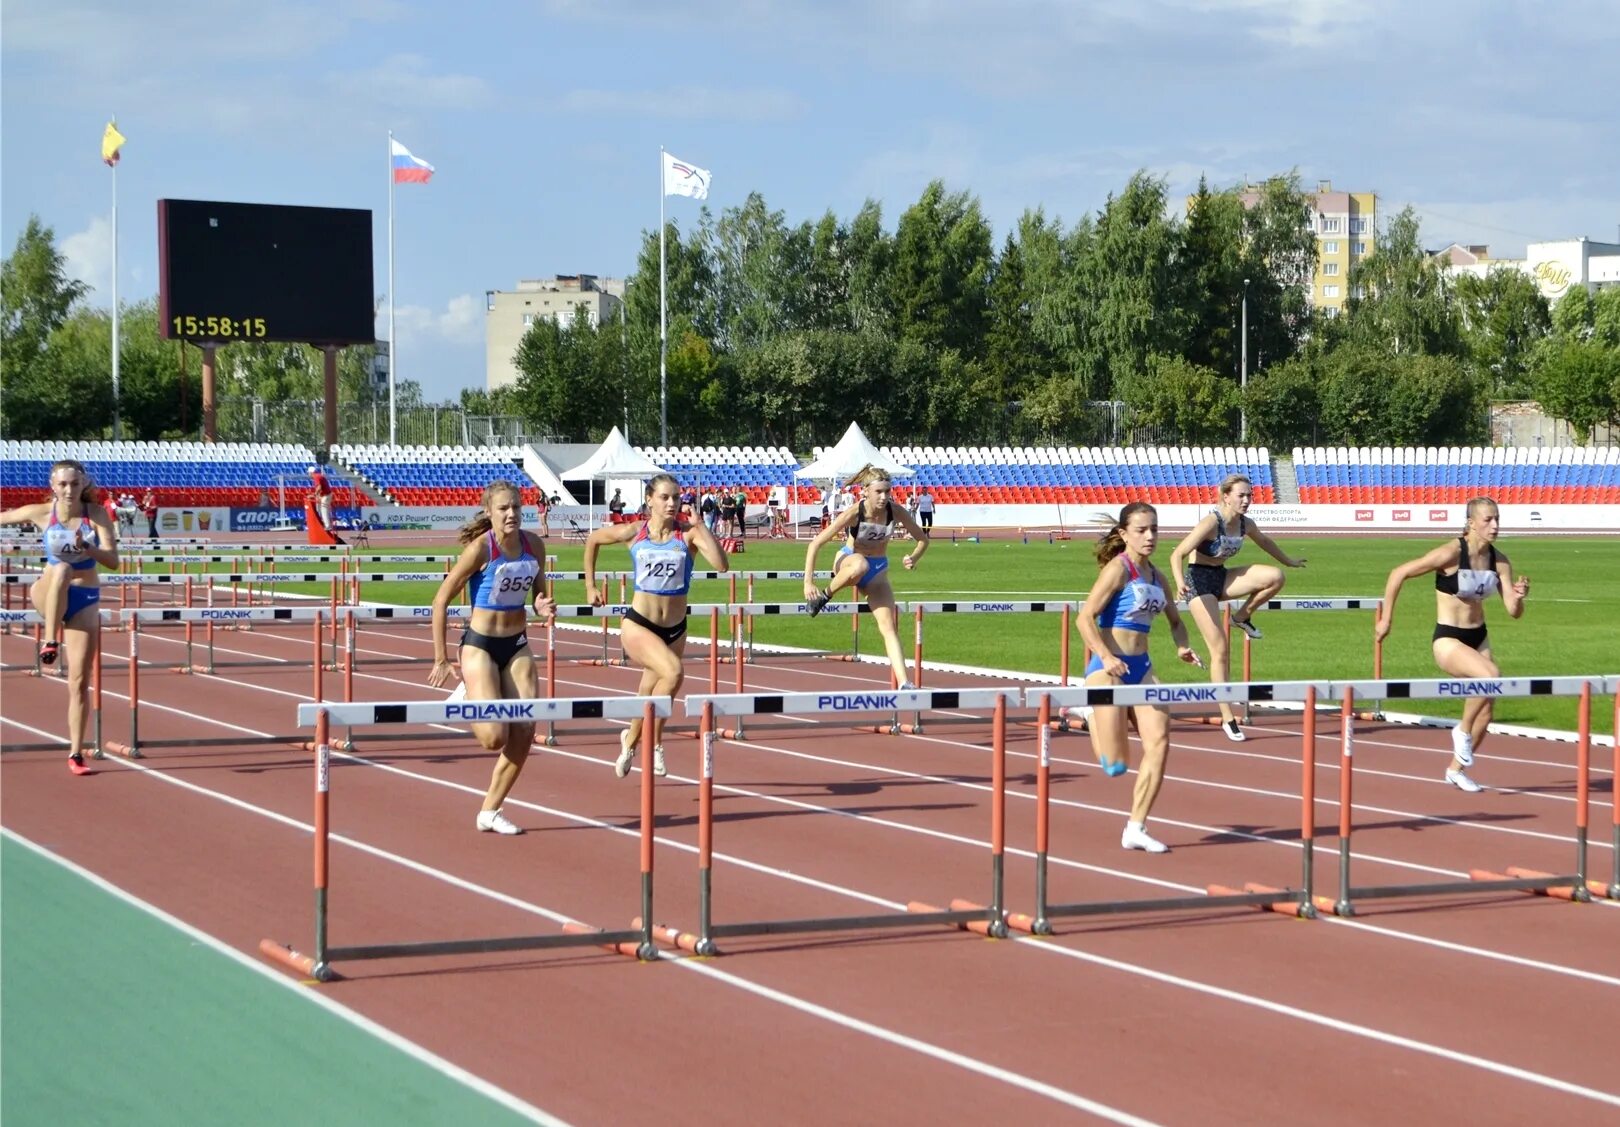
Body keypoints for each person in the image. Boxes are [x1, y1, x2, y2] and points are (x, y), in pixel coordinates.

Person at [1374, 496, 1529, 793]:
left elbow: (1513, 612)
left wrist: (1519, 598)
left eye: (1497, 519)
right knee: (1490, 677)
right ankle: (1461, 731)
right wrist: (1387, 620)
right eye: (1488, 520)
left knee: (1486, 710)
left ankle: (1456, 769)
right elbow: (1399, 573)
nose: (1495, 525)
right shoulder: (1450, 552)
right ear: (1471, 523)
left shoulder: (1500, 561)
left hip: (1478, 637)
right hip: (1448, 638)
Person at [427, 480, 557, 834]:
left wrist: (542, 604)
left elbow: (540, 592)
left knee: (526, 728)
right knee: (493, 738)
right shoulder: (480, 550)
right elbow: (441, 600)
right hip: (480, 645)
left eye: (516, 507)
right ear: (490, 512)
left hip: (516, 645)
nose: (512, 513)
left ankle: (491, 810)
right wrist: (441, 658)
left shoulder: (534, 545)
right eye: (503, 509)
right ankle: (472, 690)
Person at [585, 473, 729, 778]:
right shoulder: (635, 533)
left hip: (675, 628)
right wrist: (590, 585)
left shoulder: (687, 534)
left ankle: (634, 741)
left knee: (653, 692)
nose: (671, 503)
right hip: (640, 623)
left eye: (676, 497)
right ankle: (649, 740)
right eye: (664, 497)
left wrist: (700, 523)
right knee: (674, 673)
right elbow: (594, 539)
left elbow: (721, 564)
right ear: (649, 499)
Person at [1077, 502, 1201, 853]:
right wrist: (1105, 656)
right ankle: (1089, 714)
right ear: (1124, 534)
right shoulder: (1118, 570)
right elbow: (1085, 618)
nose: (1150, 537)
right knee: (1115, 766)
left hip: (1142, 669)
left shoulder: (1158, 577)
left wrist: (1182, 647)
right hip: (1107, 670)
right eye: (1142, 530)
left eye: (1154, 530)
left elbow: (1176, 622)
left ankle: (1136, 827)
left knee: (1160, 740)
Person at [0, 459, 119, 775]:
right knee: (62, 568)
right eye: (63, 484)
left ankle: (76, 753)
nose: (69, 490)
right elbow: (4, 517)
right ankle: (50, 639)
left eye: (75, 484)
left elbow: (114, 562)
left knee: (80, 681)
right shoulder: (41, 512)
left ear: (84, 485)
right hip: (47, 592)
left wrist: (89, 548)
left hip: (84, 598)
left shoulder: (95, 515)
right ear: (53, 486)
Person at [1168, 473, 1307, 742]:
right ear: (1226, 496)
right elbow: (1177, 553)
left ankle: (1242, 616)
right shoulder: (1211, 522)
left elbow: (1265, 542)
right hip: (1198, 582)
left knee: (1275, 577)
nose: (1246, 500)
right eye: (1241, 495)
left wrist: (1288, 561)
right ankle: (1227, 717)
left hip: (1222, 577)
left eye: (1250, 495)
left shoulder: (1245, 524)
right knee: (1220, 648)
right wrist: (1178, 582)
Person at [803, 466, 930, 689]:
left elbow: (923, 540)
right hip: (848, 561)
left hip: (877, 569)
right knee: (860, 564)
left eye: (887, 492)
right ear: (866, 492)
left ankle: (904, 682)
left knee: (888, 626)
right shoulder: (854, 513)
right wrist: (808, 582)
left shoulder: (896, 511)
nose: (884, 497)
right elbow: (815, 544)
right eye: (879, 492)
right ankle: (824, 596)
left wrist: (914, 557)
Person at [308, 466, 333, 531]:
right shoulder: (319, 476)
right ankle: (324, 524)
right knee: (322, 509)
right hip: (325, 494)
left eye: (309, 473)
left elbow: (319, 487)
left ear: (311, 473)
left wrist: (314, 495)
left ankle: (328, 526)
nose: (309, 475)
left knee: (324, 510)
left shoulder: (316, 477)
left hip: (326, 495)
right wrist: (317, 496)